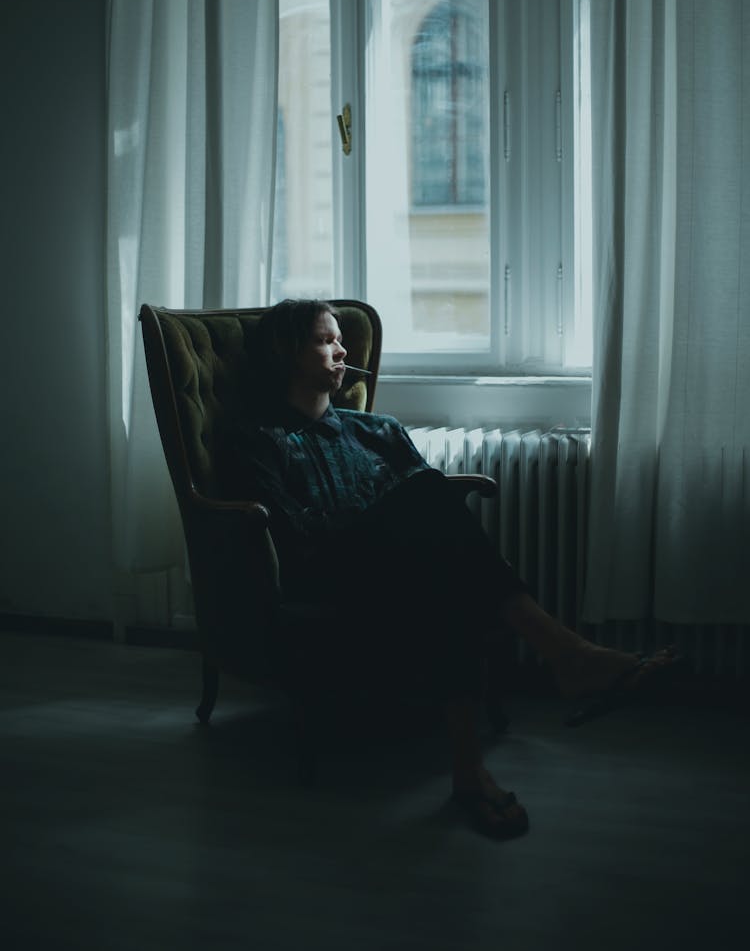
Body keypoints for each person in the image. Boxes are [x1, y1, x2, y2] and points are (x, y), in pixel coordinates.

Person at [223, 299, 679, 840]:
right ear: (287, 354)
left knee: (439, 560)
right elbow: (290, 536)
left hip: (405, 570)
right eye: (326, 340)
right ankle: (569, 656)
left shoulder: (378, 431)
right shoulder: (256, 438)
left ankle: (471, 769)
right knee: (424, 501)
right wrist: (382, 525)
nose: (343, 350)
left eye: (341, 338)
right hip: (327, 575)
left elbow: (433, 522)